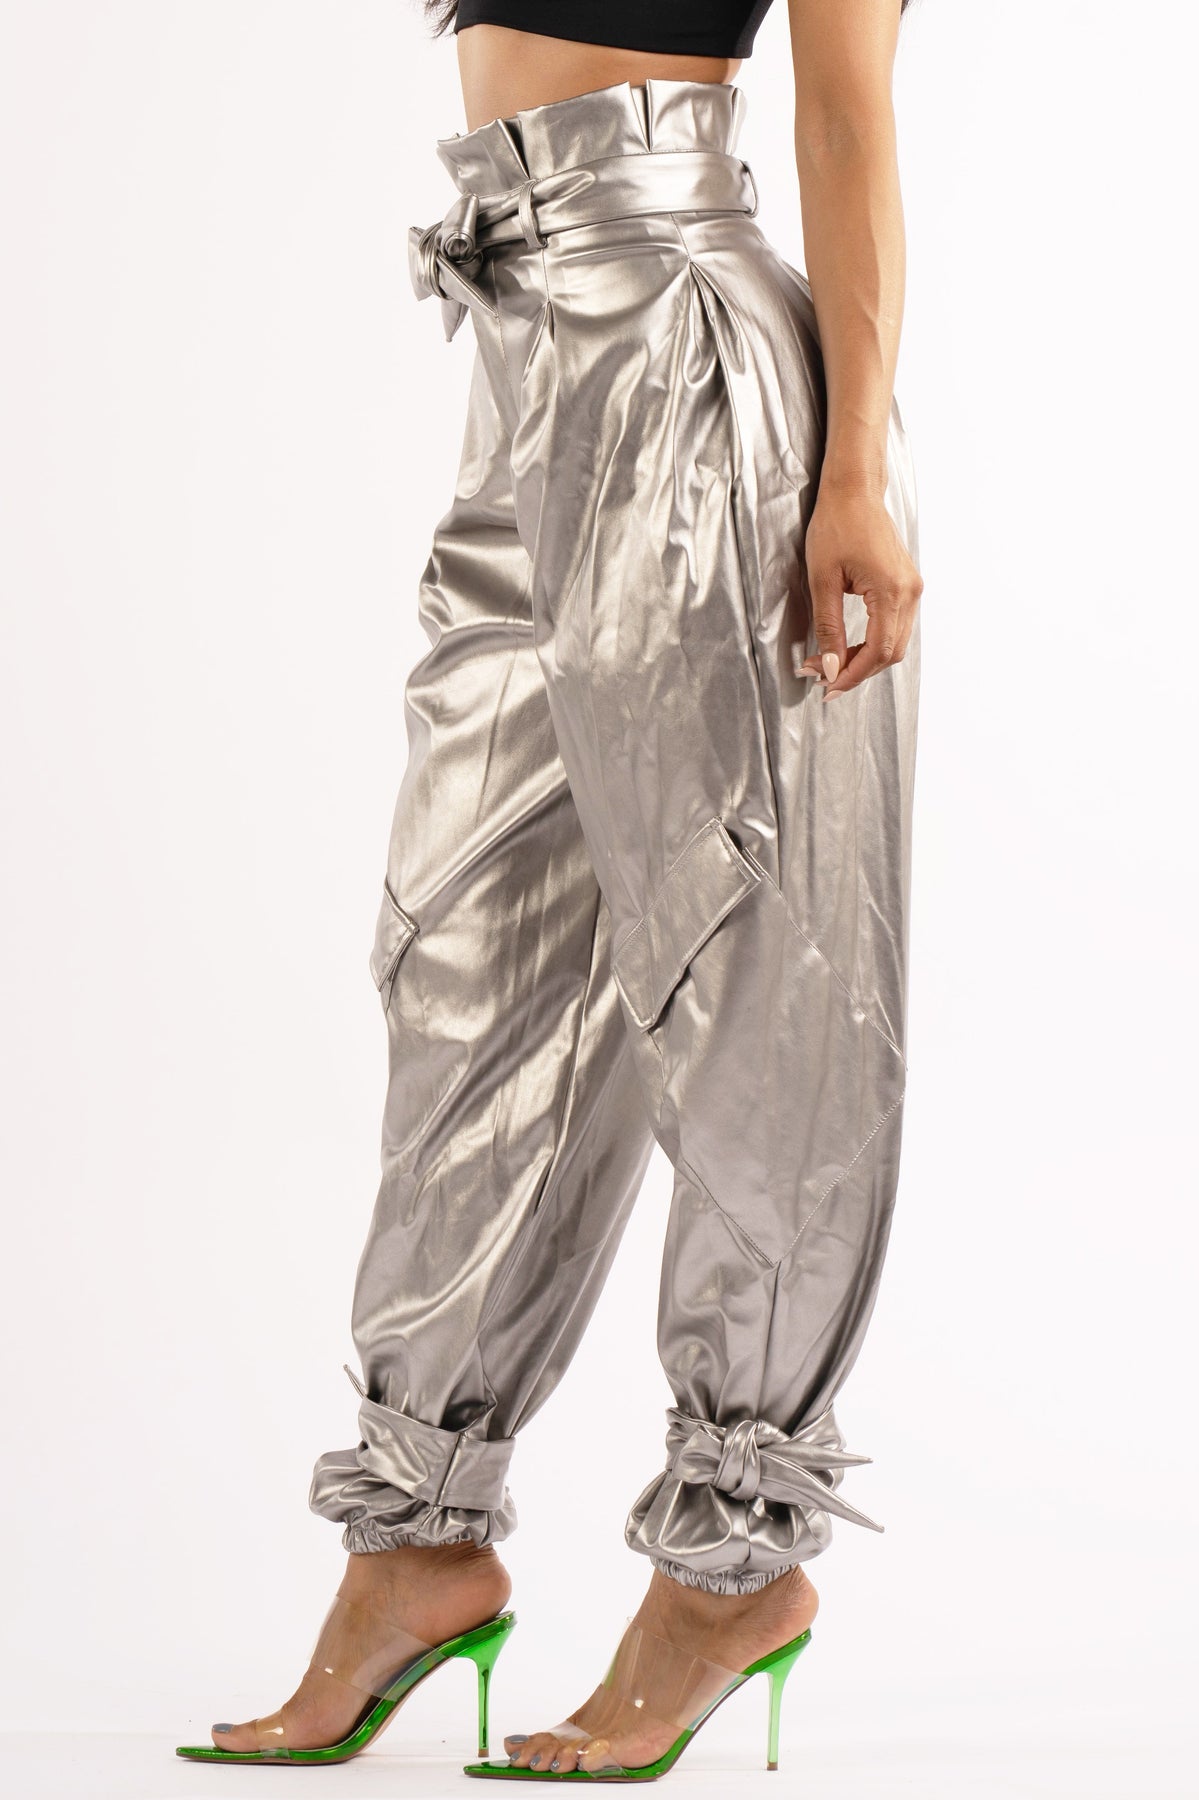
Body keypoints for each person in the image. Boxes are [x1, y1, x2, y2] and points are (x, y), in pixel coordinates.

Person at [177, 0, 923, 1780]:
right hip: (521, 354)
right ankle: (415, 1542)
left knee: (752, 978)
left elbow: (845, 114)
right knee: (466, 964)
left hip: (687, 354)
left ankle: (734, 1563)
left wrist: (854, 474)